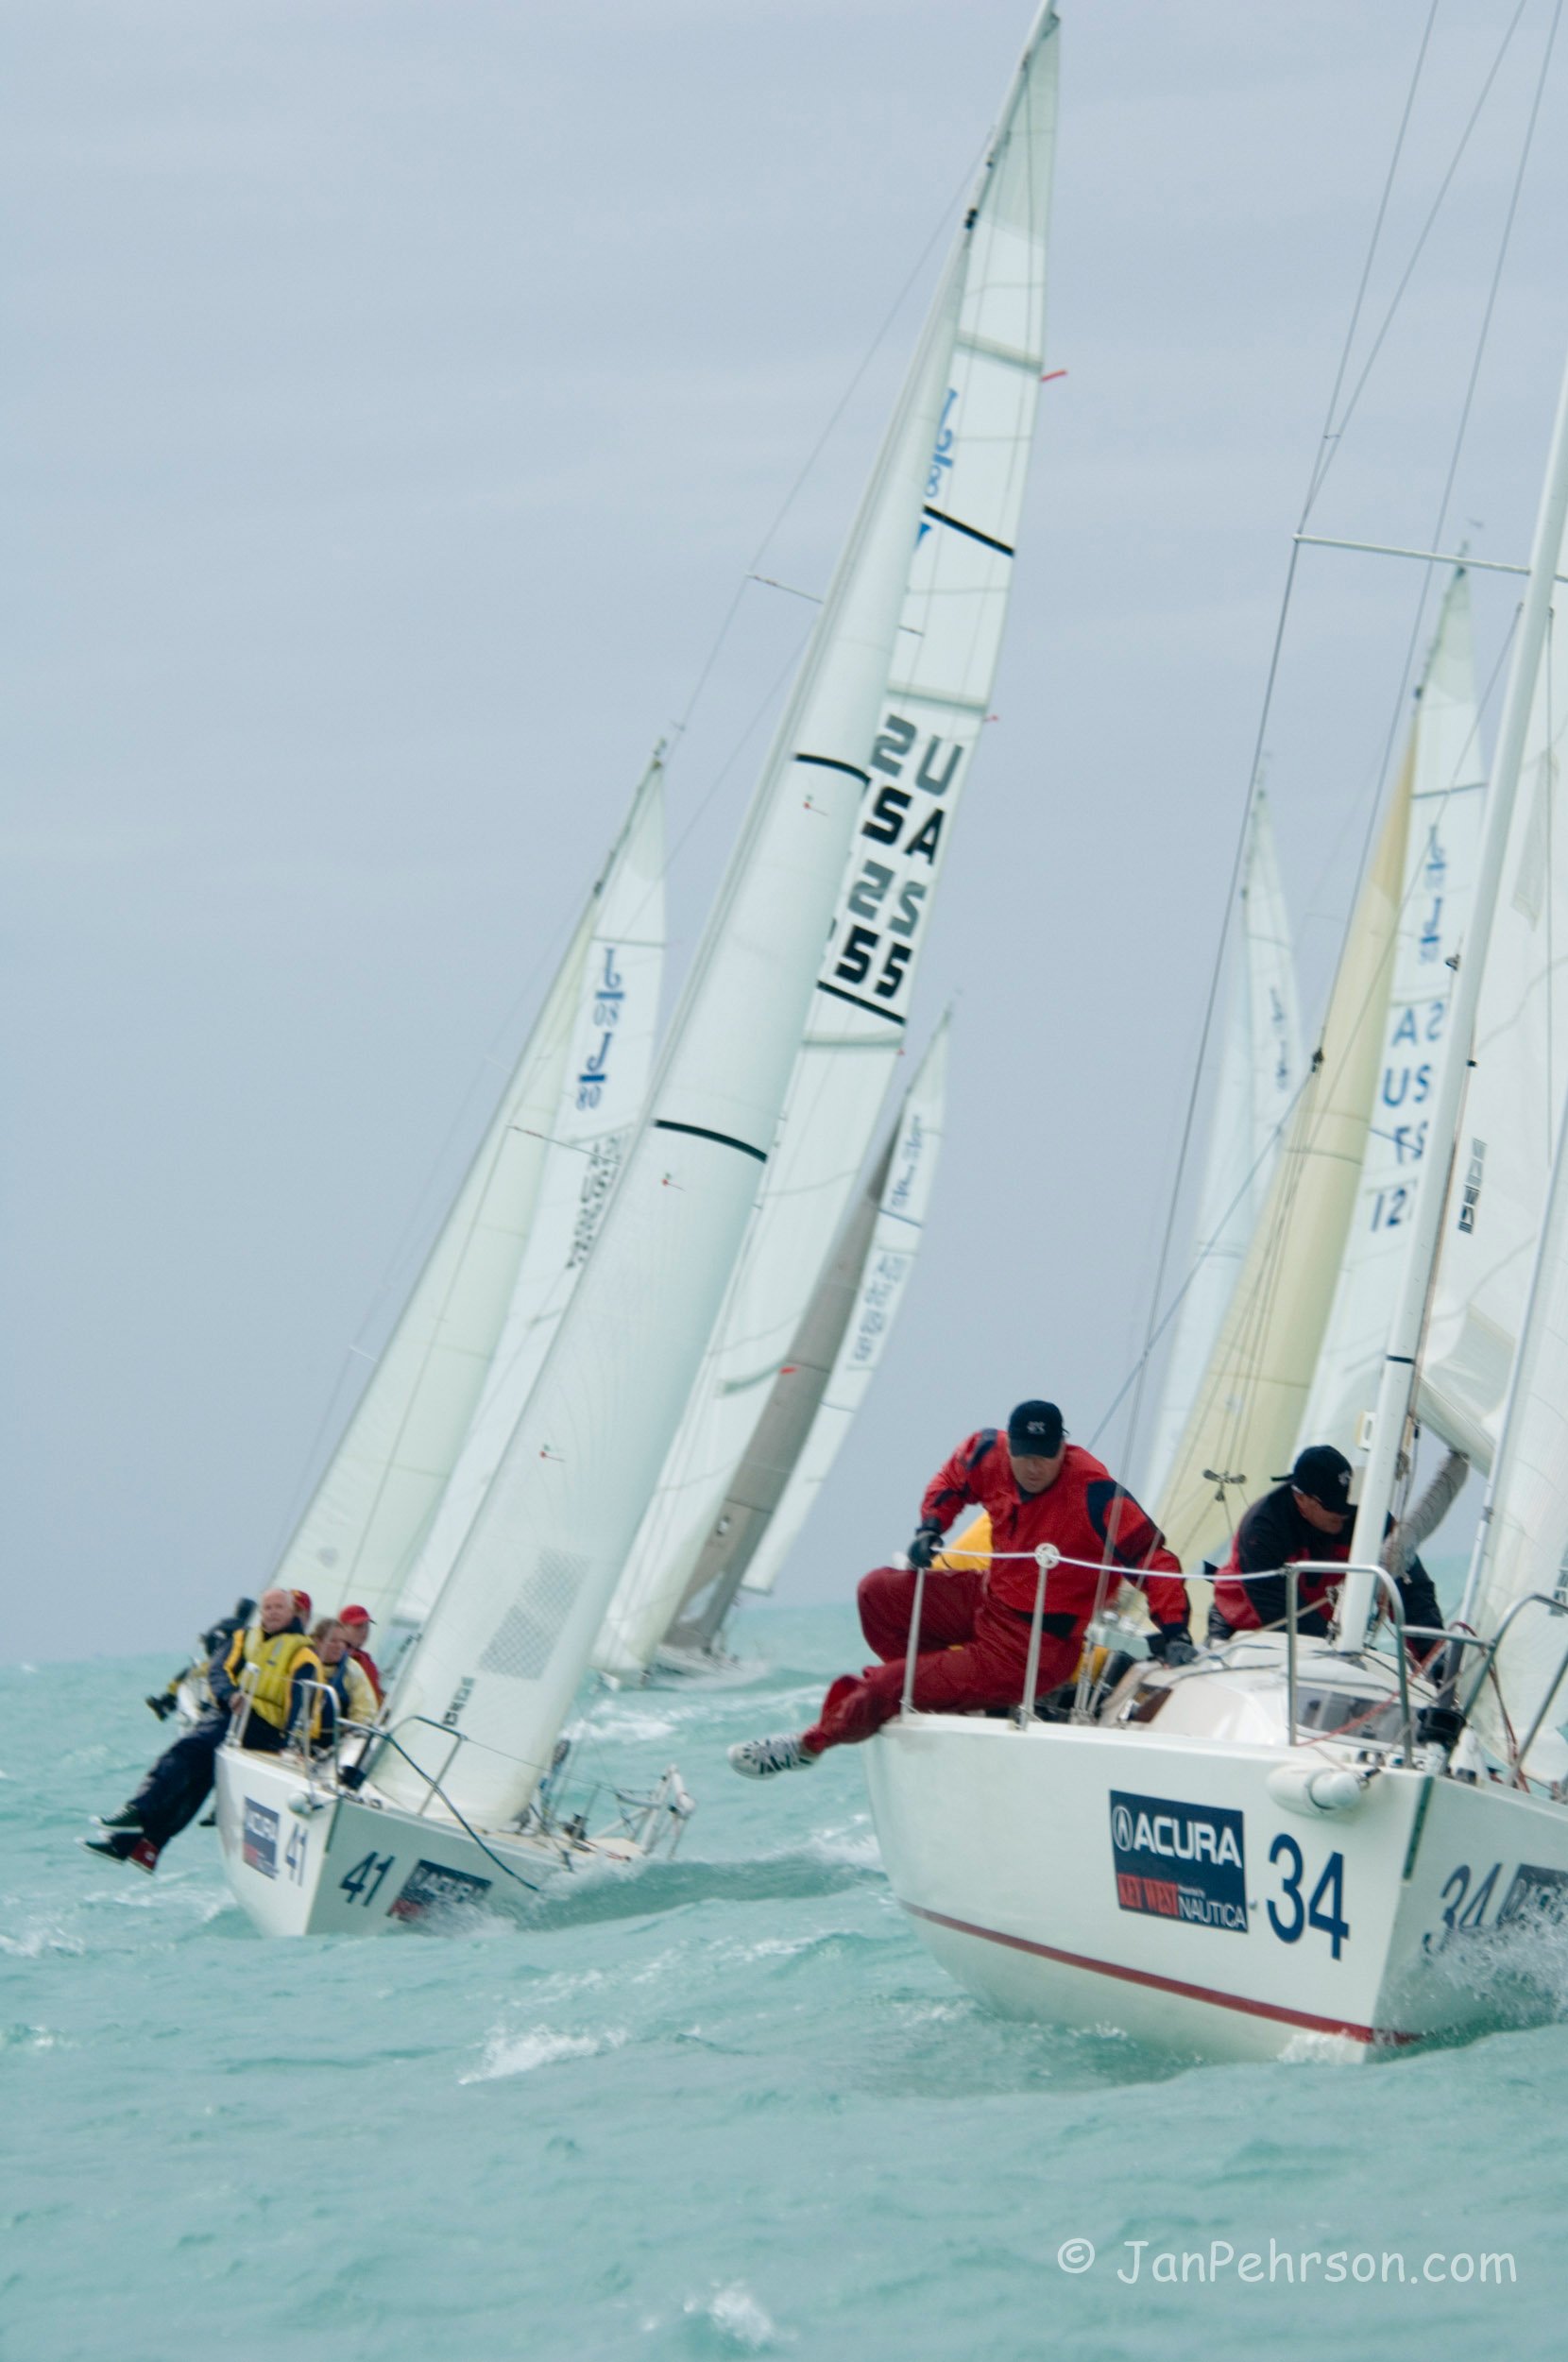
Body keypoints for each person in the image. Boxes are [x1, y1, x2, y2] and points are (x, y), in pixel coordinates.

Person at [729, 1399, 1191, 1777]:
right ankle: (936, 1694)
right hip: (989, 1601)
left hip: (1034, 1648)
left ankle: (811, 1745)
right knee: (877, 1592)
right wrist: (931, 1527)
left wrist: (1175, 1632)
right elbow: (953, 1479)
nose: (1033, 1467)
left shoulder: (1096, 1495)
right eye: (1025, 1455)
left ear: (1062, 1448)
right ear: (1011, 1447)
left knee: (891, 1682)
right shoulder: (988, 1451)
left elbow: (1155, 1560)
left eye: (1045, 1456)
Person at [87, 1589, 320, 1871]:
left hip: (263, 1727)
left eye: (279, 1607)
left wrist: (291, 1742)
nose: (272, 1612)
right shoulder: (244, 1638)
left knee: (184, 1751)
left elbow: (302, 1701)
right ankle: (140, 1845)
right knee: (197, 1781)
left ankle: (138, 1810)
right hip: (232, 1712)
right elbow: (219, 1670)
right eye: (267, 1607)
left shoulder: (303, 1653)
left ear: (292, 1612)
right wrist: (229, 1695)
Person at [1208, 1443, 1457, 1650]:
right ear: (1301, 1498)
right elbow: (1278, 1609)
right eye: (1333, 1506)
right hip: (1242, 1627)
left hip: (1323, 1633)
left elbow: (1410, 1587)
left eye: (1348, 1502)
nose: (1344, 1513)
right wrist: (1333, 1644)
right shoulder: (1264, 1527)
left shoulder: (1366, 1516)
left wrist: (1432, 1655)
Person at [145, 1595, 256, 1721]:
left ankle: (166, 1701)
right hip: (230, 1665)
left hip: (213, 1661)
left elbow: (208, 1639)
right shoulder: (247, 1629)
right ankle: (206, 1704)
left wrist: (213, 1655)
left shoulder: (223, 1623)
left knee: (188, 1673)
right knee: (217, 1678)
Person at [309, 1617, 379, 1741]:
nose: (339, 1646)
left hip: (333, 1743)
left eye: (343, 1642)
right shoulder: (304, 1662)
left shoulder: (352, 1669)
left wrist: (352, 1738)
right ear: (318, 1641)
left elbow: (365, 1711)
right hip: (297, 1734)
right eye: (333, 1641)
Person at [338, 1605, 383, 1706]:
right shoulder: (335, 1656)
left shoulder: (366, 1659)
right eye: (358, 1626)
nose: (364, 1632)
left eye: (366, 1627)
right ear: (342, 1627)